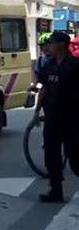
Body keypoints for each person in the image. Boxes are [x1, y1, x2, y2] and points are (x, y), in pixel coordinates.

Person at [35, 31, 79, 203]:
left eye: (51, 43)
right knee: (51, 156)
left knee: (75, 160)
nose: (48, 47)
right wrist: (36, 111)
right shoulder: (49, 65)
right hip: (53, 117)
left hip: (72, 119)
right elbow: (44, 89)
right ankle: (56, 190)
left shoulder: (75, 65)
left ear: (60, 45)